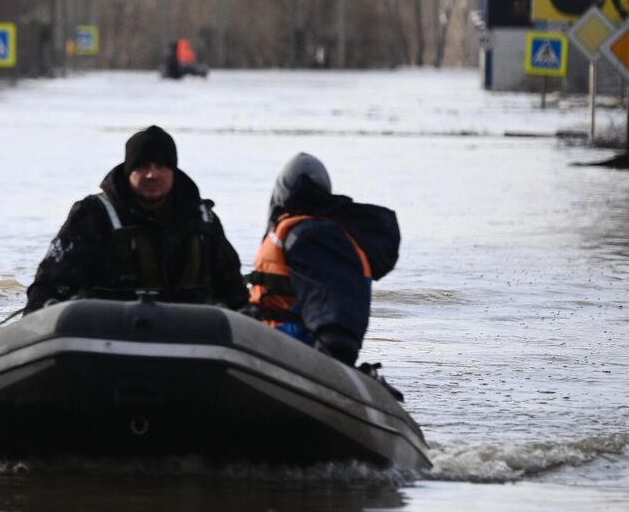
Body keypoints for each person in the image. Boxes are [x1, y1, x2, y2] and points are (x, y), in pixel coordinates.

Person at [22, 125, 249, 314]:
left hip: (192, 338)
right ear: (128, 171)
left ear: (173, 171)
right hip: (104, 336)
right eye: (143, 167)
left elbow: (234, 293)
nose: (152, 175)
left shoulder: (203, 221)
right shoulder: (93, 215)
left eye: (161, 166)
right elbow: (51, 283)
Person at [246, 153, 400, 365]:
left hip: (290, 350)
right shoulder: (319, 231)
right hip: (273, 339)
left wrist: (331, 354)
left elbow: (333, 310)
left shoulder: (311, 236)